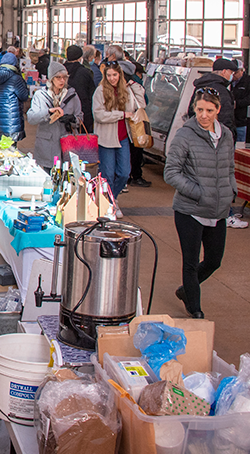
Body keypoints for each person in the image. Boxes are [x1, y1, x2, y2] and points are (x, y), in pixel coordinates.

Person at [163, 88, 237, 320]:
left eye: (209, 111)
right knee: (191, 262)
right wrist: (198, 193)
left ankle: (186, 290)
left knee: (214, 260)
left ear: (218, 110)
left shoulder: (226, 135)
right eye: (199, 110)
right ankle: (195, 308)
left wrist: (230, 191)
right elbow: (171, 173)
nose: (203, 115)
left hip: (218, 210)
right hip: (190, 210)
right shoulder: (185, 136)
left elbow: (230, 168)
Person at [93, 61, 145, 212]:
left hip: (123, 137)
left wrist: (133, 83)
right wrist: (121, 115)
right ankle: (109, 203)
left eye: (114, 75)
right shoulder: (100, 91)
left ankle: (111, 198)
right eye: (108, 75)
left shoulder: (126, 90)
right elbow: (99, 115)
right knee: (107, 173)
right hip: (106, 138)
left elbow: (140, 106)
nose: (112, 78)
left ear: (120, 74)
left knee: (124, 173)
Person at [27, 62, 82, 169]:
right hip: (47, 144)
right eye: (58, 77)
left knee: (66, 177)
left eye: (64, 77)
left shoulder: (72, 95)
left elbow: (80, 117)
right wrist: (48, 112)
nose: (62, 80)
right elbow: (31, 118)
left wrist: (72, 119)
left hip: (67, 144)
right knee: (49, 176)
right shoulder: (41, 95)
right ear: (51, 79)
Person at [186, 58, 236, 129]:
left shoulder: (201, 86)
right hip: (214, 134)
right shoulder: (221, 91)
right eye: (231, 73)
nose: (232, 76)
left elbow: (191, 111)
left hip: (198, 131)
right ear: (224, 72)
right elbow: (225, 118)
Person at [0, 53, 30, 140]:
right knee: (11, 149)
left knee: (3, 145)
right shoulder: (16, 78)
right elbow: (24, 96)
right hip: (12, 117)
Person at [128, 62, 153, 189]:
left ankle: (129, 176)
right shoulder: (136, 83)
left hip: (127, 122)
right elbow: (144, 102)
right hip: (136, 121)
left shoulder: (124, 83)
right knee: (137, 148)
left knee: (129, 150)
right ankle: (136, 176)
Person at [64, 45, 95, 123]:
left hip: (63, 111)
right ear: (80, 57)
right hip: (83, 111)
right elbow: (91, 93)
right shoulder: (85, 72)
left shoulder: (61, 71)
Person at [231, 63, 250, 143]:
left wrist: (237, 104)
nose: (233, 75)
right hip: (229, 120)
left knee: (240, 144)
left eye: (235, 73)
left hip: (242, 119)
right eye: (231, 73)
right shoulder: (227, 82)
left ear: (242, 71)